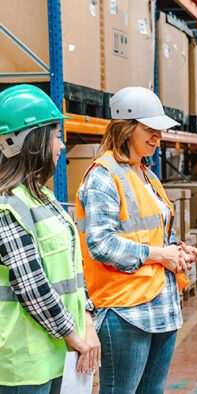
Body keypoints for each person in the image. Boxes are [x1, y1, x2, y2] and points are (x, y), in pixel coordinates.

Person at [76, 86, 197, 393]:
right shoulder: (103, 176)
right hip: (125, 311)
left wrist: (177, 250)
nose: (158, 136)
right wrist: (161, 255)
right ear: (126, 128)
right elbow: (101, 244)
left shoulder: (146, 174)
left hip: (161, 305)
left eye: (159, 129)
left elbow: (156, 233)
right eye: (149, 129)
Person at [0, 85, 100, 392]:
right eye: (55, 135)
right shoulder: (8, 205)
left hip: (59, 351)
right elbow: (33, 288)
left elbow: (73, 268)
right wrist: (75, 337)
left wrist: (87, 320)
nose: (60, 145)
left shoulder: (43, 196)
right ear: (31, 142)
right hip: (25, 362)